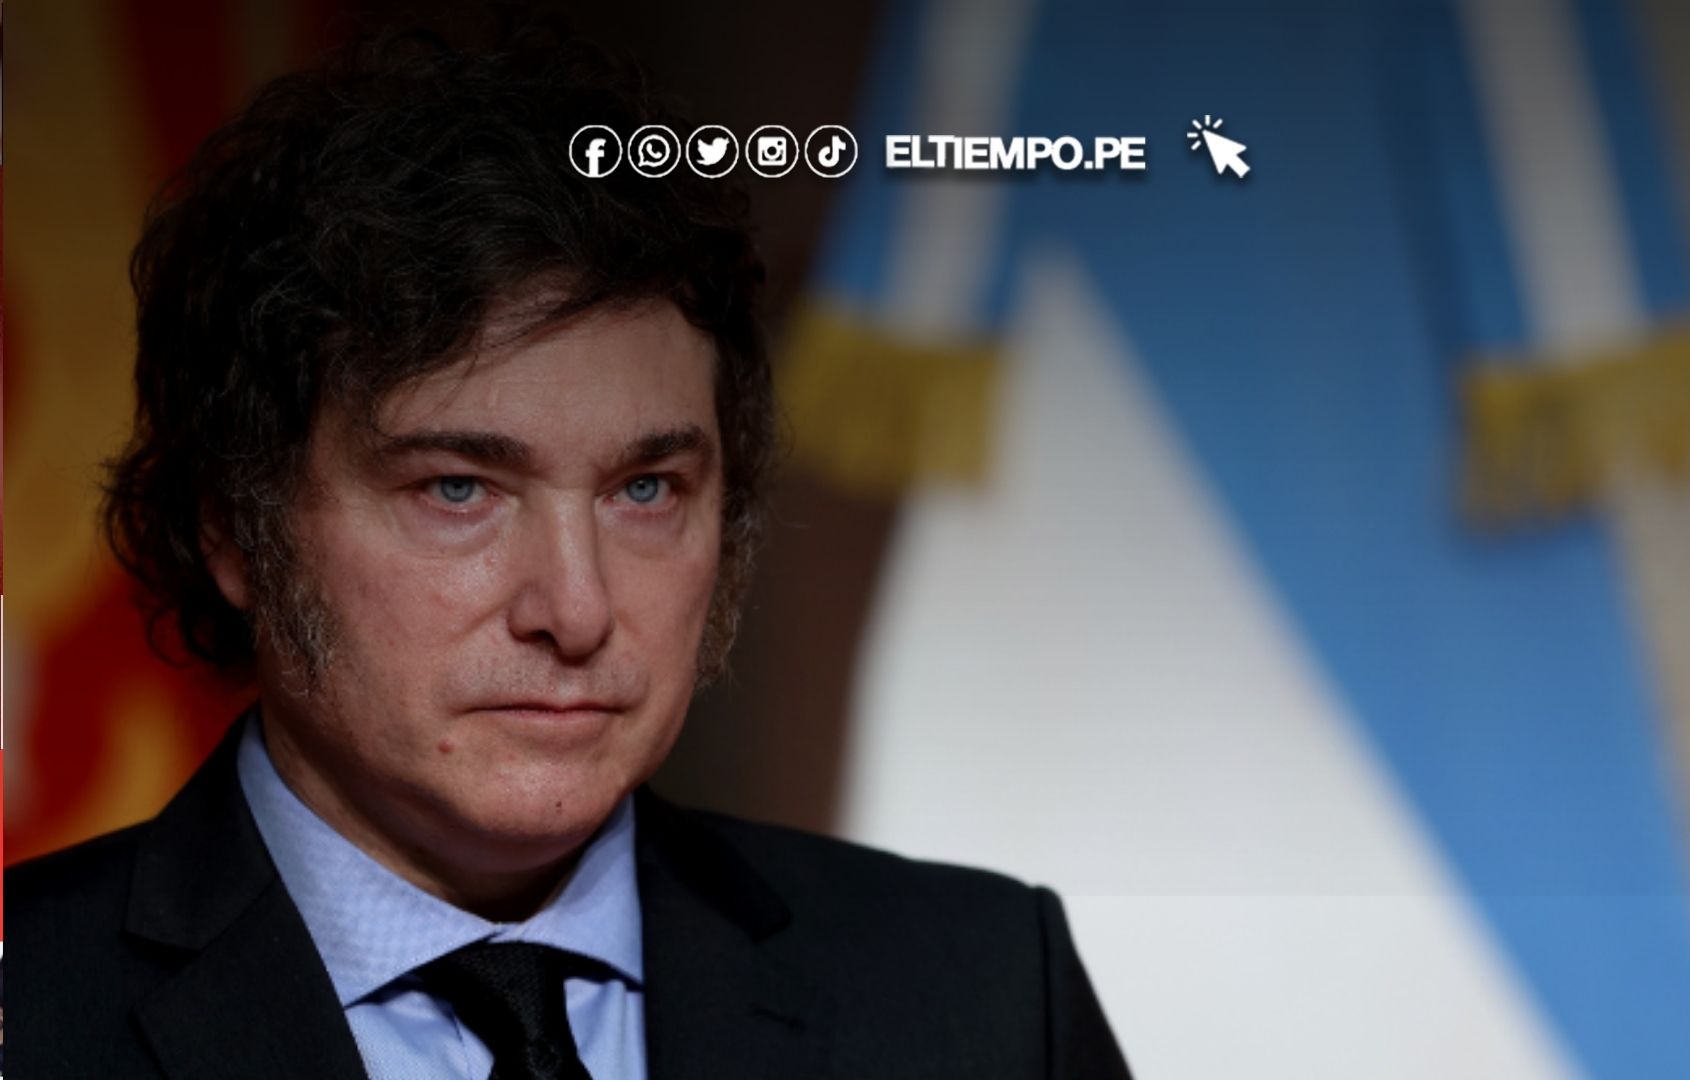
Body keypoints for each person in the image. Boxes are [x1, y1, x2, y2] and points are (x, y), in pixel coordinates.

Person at [9, 16, 1129, 1080]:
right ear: (235, 530)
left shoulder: (985, 998)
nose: (578, 610)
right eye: (459, 489)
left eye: (645, 489)